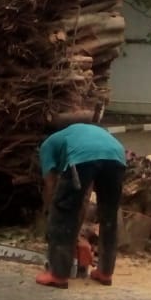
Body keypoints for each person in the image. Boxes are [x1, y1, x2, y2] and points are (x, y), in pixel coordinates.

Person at [35, 123, 127, 289]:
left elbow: (50, 183)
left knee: (63, 211)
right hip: (116, 155)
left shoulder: (47, 145)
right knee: (109, 214)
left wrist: (50, 211)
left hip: (83, 157)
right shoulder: (75, 135)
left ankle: (58, 274)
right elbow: (85, 191)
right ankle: (105, 272)